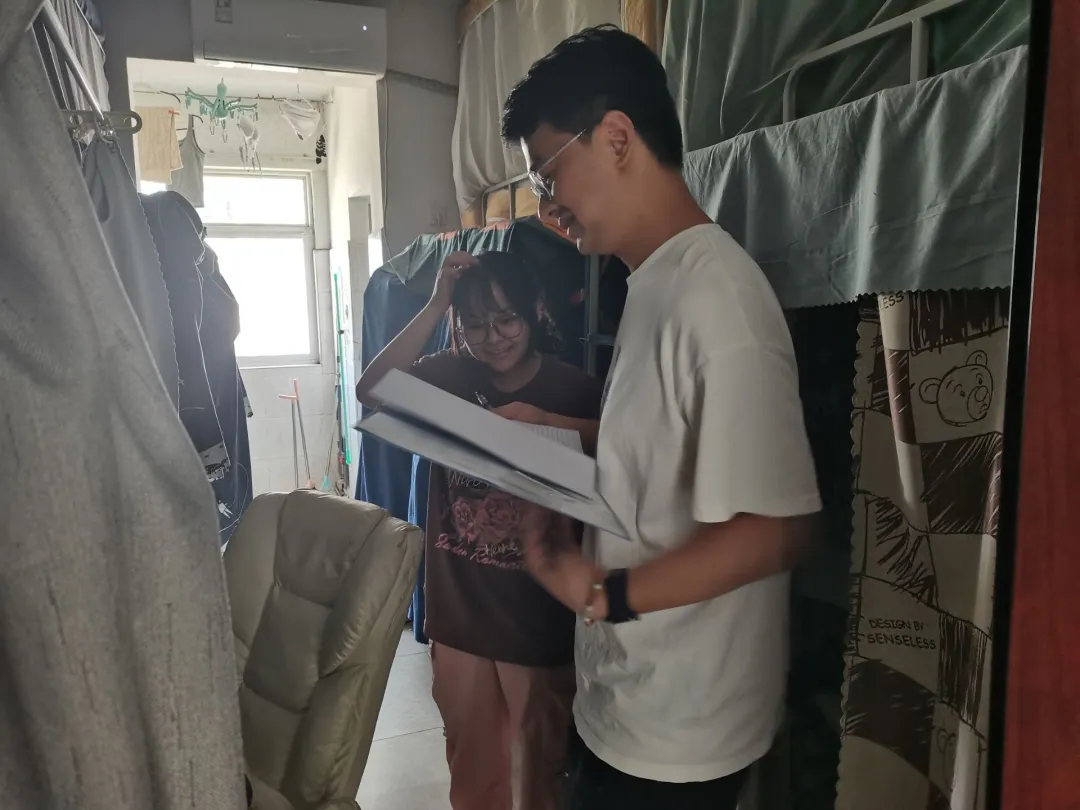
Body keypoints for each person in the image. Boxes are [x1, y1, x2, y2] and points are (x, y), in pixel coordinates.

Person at [497, 25, 823, 810]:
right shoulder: (652, 283)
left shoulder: (719, 301)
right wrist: (549, 429)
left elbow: (779, 530)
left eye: (548, 173)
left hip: (680, 736)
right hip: (629, 698)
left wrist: (603, 594)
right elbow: (668, 443)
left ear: (616, 138)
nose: (546, 206)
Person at [355, 250, 604, 810]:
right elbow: (372, 389)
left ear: (535, 311)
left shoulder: (573, 389)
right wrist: (436, 303)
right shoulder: (449, 374)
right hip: (460, 617)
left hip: (537, 622)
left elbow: (626, 454)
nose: (493, 338)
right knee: (472, 772)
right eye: (475, 325)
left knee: (538, 774)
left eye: (507, 319)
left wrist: (542, 422)